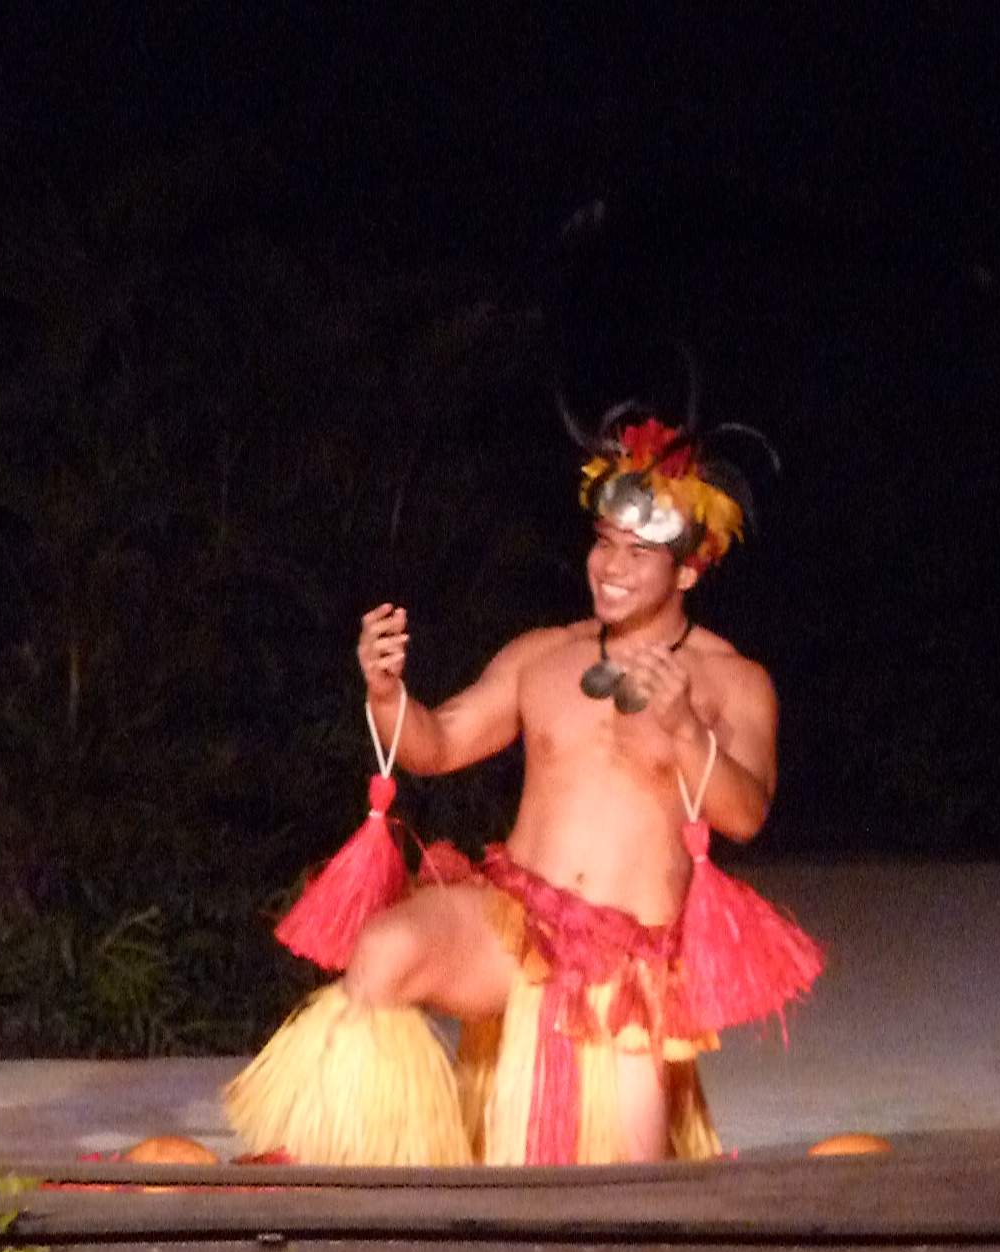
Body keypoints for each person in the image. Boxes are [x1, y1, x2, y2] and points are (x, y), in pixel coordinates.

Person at [226, 408, 821, 1166]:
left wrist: (682, 731)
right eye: (605, 544)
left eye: (639, 553)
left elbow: (745, 815)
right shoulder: (542, 656)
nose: (611, 567)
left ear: (691, 568)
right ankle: (368, 1187)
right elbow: (436, 745)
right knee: (383, 950)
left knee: (625, 1175)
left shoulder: (733, 680)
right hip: (513, 927)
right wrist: (385, 695)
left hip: (622, 969)